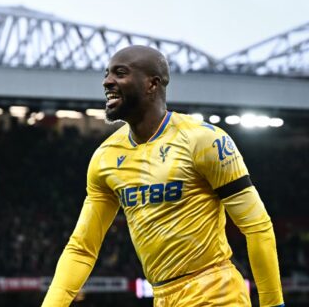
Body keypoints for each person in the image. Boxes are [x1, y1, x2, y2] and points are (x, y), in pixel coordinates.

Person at [41, 45, 284, 307]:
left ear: (152, 84)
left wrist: (273, 304)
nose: (107, 81)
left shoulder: (203, 140)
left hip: (215, 292)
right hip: (162, 297)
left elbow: (257, 226)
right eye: (107, 74)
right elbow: (82, 248)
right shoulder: (105, 158)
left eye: (119, 73)